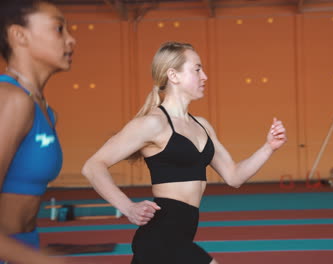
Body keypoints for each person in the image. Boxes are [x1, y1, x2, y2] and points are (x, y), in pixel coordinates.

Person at [81, 41, 287, 264]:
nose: (205, 76)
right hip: (160, 238)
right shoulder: (153, 124)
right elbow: (93, 166)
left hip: (181, 236)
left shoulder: (203, 126)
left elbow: (234, 176)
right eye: (197, 69)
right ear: (173, 75)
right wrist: (128, 207)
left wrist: (268, 147)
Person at [0, 0, 76, 263]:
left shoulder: (45, 111)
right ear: (18, 35)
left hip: (26, 244)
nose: (71, 40)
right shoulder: (10, 99)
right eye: (59, 29)